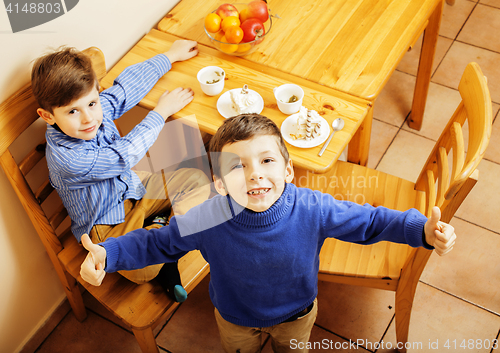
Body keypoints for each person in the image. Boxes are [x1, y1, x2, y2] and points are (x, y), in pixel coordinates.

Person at [79, 114, 456, 352]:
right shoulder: (205, 217)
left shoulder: (312, 207)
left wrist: (419, 229)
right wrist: (109, 254)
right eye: (237, 166)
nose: (255, 173)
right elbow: (158, 242)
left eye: (267, 160)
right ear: (220, 182)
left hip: (297, 314)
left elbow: (369, 221)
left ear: (289, 171)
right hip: (234, 317)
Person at [31, 40, 211, 302]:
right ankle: (162, 244)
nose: (88, 118)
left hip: (135, 188)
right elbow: (123, 155)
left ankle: (160, 232)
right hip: (108, 224)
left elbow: (126, 89)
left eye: (92, 103)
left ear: (97, 92)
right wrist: (160, 112)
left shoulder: (94, 110)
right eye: (72, 111)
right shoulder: (68, 159)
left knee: (197, 178)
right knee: (144, 271)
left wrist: (169, 55)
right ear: (48, 116)